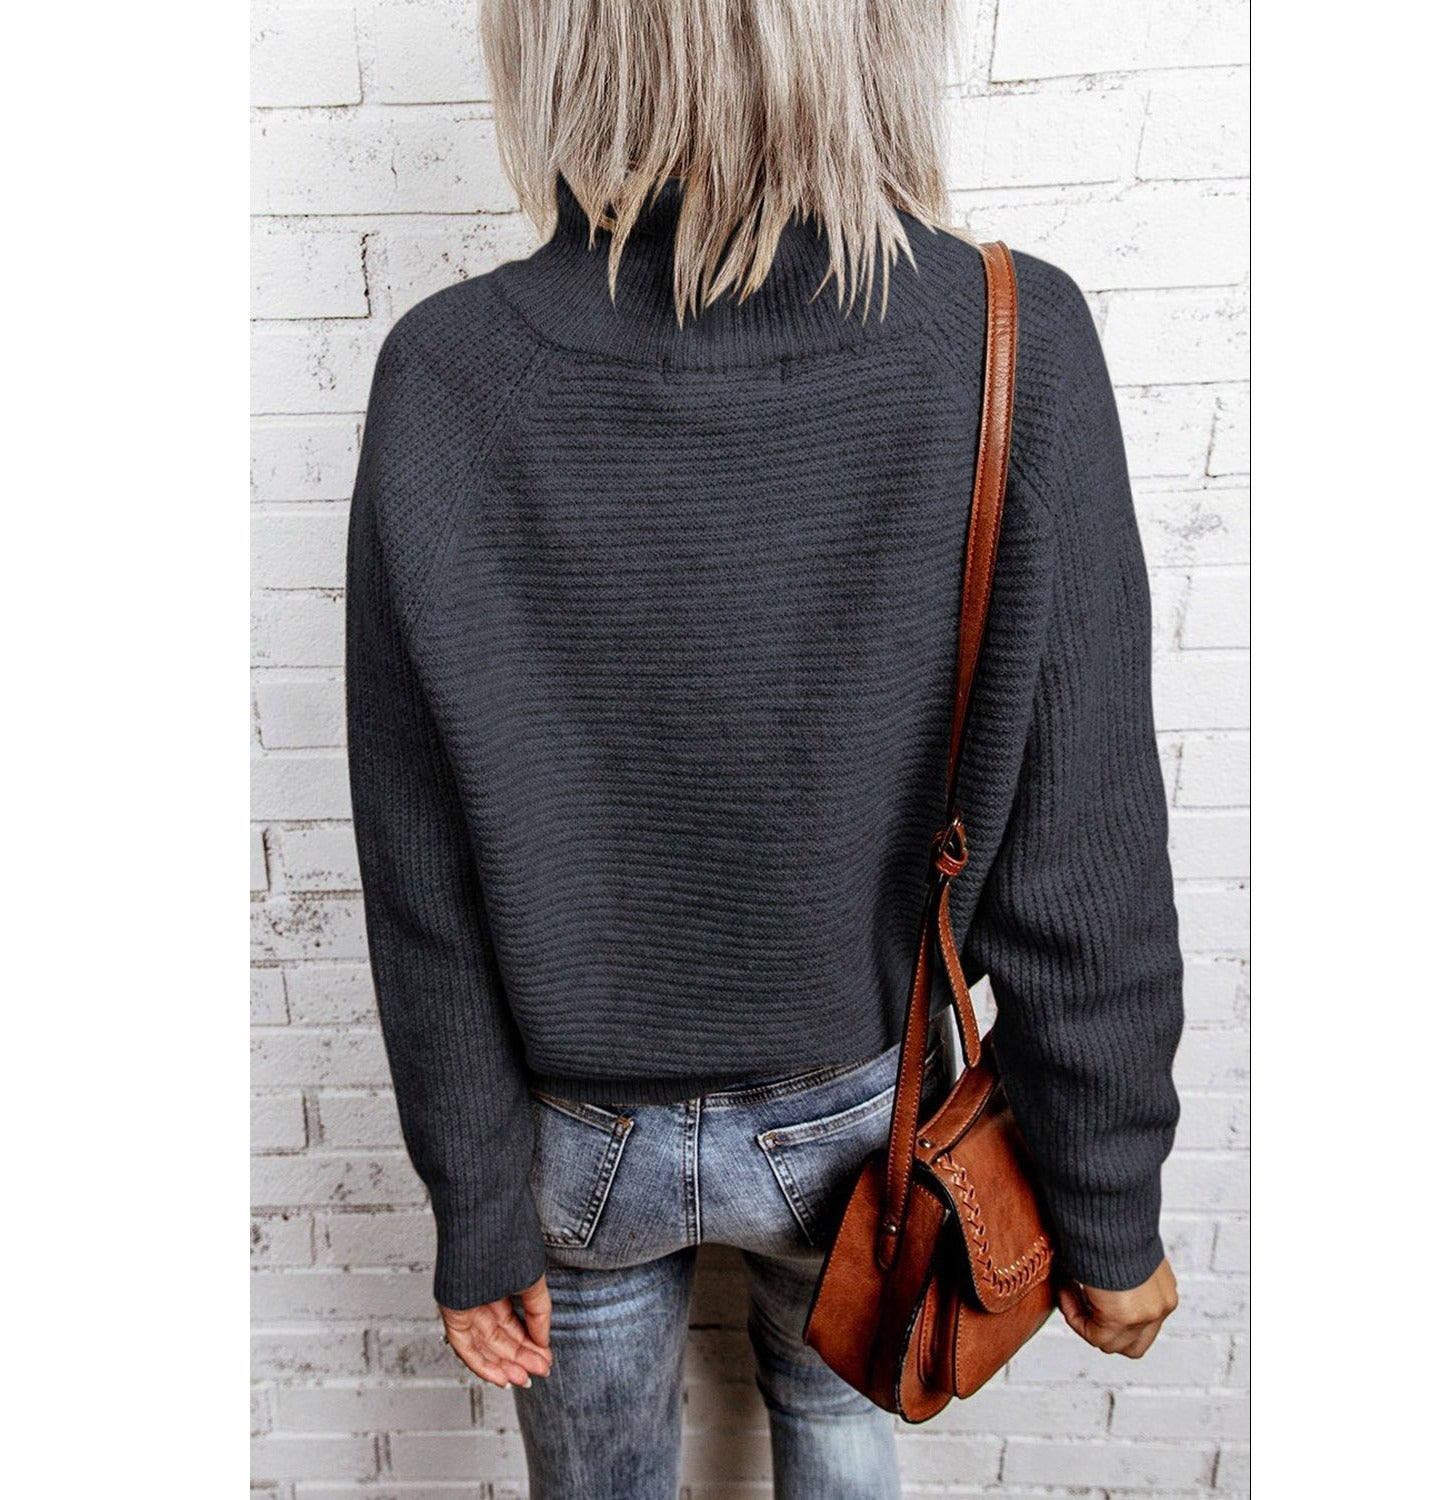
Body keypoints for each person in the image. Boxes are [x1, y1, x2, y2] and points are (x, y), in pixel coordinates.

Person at [344, 2, 1183, 1495]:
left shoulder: (446, 373)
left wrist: (476, 1209)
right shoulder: (1013, 336)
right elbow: (1084, 849)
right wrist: (1107, 1208)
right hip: (865, 1117)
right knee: (848, 1441)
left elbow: (425, 873)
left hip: (575, 1134)